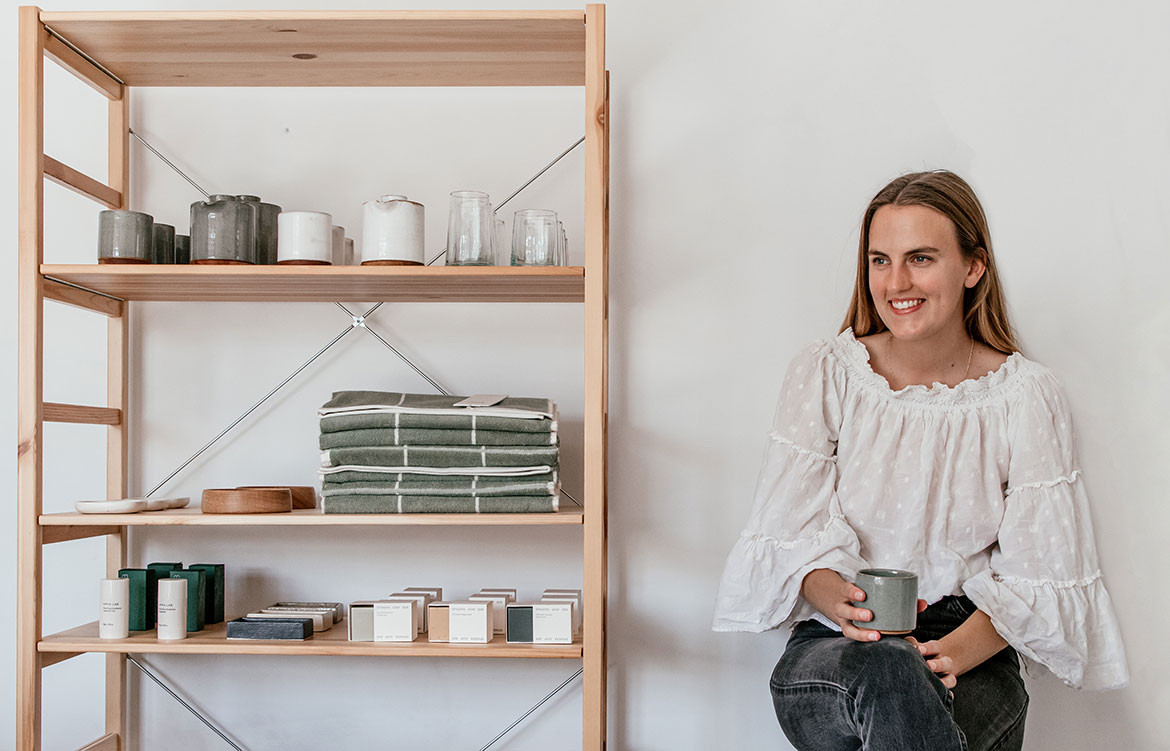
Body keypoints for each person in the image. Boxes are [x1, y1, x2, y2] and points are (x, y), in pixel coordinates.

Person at [711, 170, 1129, 751]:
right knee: (887, 671)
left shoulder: (1025, 396)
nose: (896, 281)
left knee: (905, 692)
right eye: (880, 260)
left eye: (921, 258)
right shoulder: (828, 373)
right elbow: (788, 533)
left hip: (969, 643)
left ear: (973, 267)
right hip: (838, 641)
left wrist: (942, 655)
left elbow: (1042, 569)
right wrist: (845, 604)